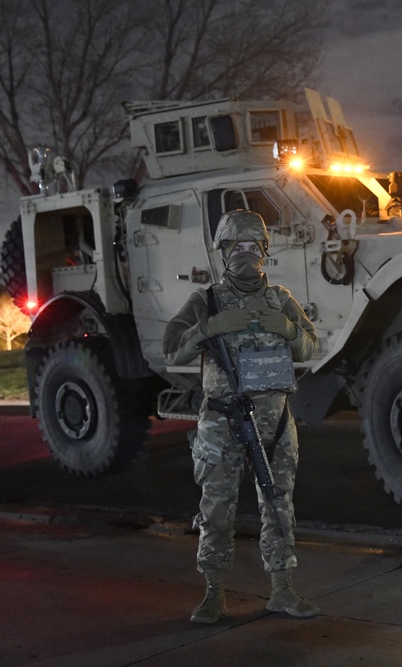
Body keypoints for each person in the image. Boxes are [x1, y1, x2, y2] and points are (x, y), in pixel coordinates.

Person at [162, 209, 320, 624]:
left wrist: (286, 328)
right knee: (216, 509)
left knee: (279, 505)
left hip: (276, 423)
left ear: (265, 251)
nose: (245, 255)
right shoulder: (206, 300)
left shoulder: (280, 298)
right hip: (222, 422)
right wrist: (211, 327)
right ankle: (214, 594)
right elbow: (172, 349)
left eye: (254, 247)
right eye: (237, 247)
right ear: (223, 251)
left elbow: (308, 349)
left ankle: (282, 591)